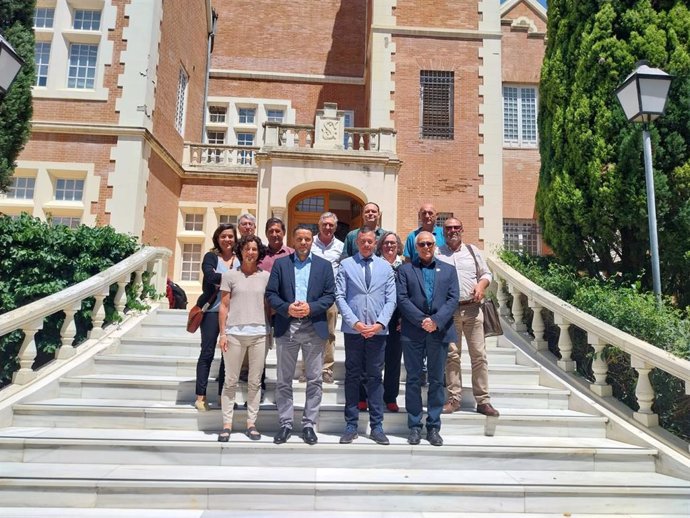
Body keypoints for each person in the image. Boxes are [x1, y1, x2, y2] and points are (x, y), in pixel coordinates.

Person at [266, 226, 335, 445]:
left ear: (311, 241)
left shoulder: (324, 266)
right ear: (293, 241)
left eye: (307, 239)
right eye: (300, 239)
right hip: (288, 327)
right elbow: (271, 294)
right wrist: (287, 308)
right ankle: (286, 424)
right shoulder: (281, 264)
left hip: (314, 327)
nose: (304, 242)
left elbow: (330, 295)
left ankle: (308, 425)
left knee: (314, 380)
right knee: (284, 380)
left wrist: (311, 308)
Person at [397, 231, 459, 446]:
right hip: (413, 332)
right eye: (421, 244)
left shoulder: (449, 270)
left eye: (429, 243)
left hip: (439, 331)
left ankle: (433, 426)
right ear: (416, 247)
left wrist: (436, 321)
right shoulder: (405, 270)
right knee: (413, 379)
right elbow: (402, 299)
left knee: (436, 380)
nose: (426, 247)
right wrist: (422, 320)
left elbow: (453, 299)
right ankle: (414, 426)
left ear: (435, 245)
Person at [336, 227, 396, 445]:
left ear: (375, 243)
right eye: (363, 241)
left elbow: (391, 299)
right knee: (352, 377)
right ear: (357, 242)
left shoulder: (386, 267)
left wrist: (379, 324)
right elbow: (340, 296)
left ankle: (377, 426)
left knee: (374, 378)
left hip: (378, 332)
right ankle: (351, 425)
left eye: (371, 241)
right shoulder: (346, 264)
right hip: (354, 331)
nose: (367, 245)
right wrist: (356, 323)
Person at [437, 218, 500, 417]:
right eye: (448, 228)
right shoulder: (438, 253)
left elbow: (486, 274)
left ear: (462, 229)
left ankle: (483, 401)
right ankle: (454, 399)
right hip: (449, 312)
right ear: (443, 231)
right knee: (452, 356)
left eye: (456, 227)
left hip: (473, 310)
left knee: (479, 356)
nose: (453, 231)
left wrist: (481, 286)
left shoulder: (472, 251)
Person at [216, 235, 270, 442]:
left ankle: (251, 423)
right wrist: (223, 333)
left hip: (259, 334)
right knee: (230, 380)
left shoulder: (265, 277)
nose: (250, 252)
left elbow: (268, 306)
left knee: (255, 382)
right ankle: (227, 424)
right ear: (241, 251)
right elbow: (224, 306)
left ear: (259, 253)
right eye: (247, 249)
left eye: (254, 249)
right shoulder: (230, 276)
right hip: (234, 334)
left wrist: (270, 332)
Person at [194, 223, 239, 412]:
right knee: (207, 353)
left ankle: (224, 397)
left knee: (227, 357)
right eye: (223, 236)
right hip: (212, 311)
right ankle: (200, 397)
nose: (227, 240)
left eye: (230, 236)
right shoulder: (211, 257)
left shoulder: (241, 257)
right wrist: (235, 279)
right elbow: (210, 277)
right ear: (217, 239)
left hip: (235, 313)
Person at [310, 211, 343, 384]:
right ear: (319, 225)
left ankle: (327, 368)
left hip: (331, 297)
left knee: (329, 334)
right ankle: (308, 369)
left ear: (335, 227)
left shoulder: (340, 246)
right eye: (325, 224)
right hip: (310, 297)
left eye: (331, 225)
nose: (328, 227)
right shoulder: (310, 243)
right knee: (308, 332)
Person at [377, 231, 404, 412]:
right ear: (381, 246)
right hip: (376, 317)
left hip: (397, 319)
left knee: (393, 360)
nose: (389, 246)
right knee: (373, 360)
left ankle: (390, 397)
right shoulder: (374, 264)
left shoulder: (405, 267)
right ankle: (366, 396)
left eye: (393, 243)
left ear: (398, 246)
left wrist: (404, 317)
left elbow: (407, 294)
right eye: (386, 243)